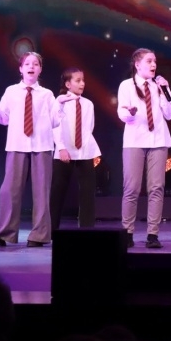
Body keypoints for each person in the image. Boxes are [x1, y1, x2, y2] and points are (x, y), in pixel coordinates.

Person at [0, 51, 67, 247]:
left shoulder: (47, 94)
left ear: (40, 69)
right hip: (17, 144)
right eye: (27, 64)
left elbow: (54, 121)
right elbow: (5, 118)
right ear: (21, 68)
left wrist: (59, 105)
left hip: (42, 145)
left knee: (42, 192)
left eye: (35, 64)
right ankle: (3, 233)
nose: (31, 67)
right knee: (9, 190)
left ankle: (39, 235)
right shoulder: (11, 91)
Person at [117, 48, 171, 249]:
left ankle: (153, 234)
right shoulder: (126, 86)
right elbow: (122, 113)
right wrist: (130, 113)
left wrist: (165, 90)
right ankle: (127, 232)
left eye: (155, 61)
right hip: (134, 140)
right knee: (131, 188)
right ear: (137, 64)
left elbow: (170, 113)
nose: (153, 65)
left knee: (157, 188)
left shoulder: (158, 86)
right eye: (149, 61)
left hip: (158, 140)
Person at [49, 67, 101, 230]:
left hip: (85, 151)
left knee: (88, 192)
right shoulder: (60, 102)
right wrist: (61, 148)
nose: (82, 84)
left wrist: (85, 146)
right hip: (64, 151)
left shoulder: (88, 104)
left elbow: (89, 127)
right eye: (78, 81)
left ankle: (86, 229)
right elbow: (55, 126)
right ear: (68, 84)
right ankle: (51, 229)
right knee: (58, 191)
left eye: (83, 80)